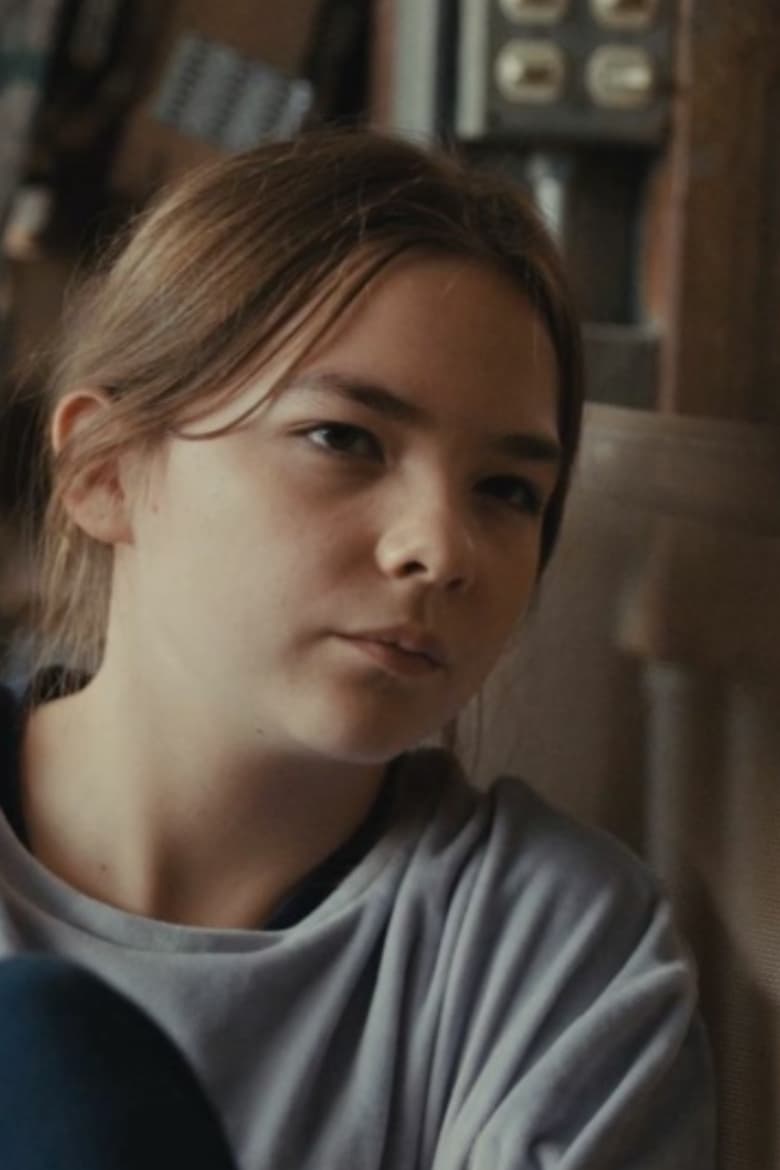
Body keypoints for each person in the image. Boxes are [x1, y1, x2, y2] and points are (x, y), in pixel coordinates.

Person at [0, 128, 714, 1169]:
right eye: (343, 438)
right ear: (106, 472)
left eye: (508, 491)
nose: (441, 549)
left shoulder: (559, 955)